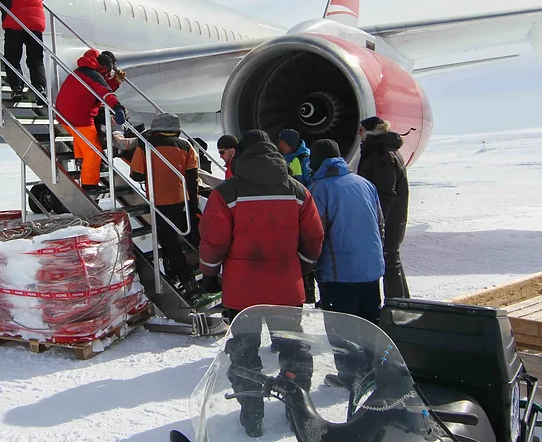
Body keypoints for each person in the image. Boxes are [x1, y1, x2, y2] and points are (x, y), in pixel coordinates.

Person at [199, 135, 324, 437]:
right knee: (294, 349)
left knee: (244, 353)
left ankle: (252, 415)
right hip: (286, 287)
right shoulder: (297, 191)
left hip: (243, 292)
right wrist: (300, 266)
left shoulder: (226, 193)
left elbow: (214, 240)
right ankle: (298, 410)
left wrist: (209, 273)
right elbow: (314, 237)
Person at [308, 138, 385, 390]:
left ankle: (351, 375)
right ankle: (374, 371)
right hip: (371, 267)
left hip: (340, 270)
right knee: (370, 321)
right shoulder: (364, 183)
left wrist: (310, 263)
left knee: (343, 328)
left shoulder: (320, 188)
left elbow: (316, 232)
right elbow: (380, 224)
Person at [129, 113, 201, 297]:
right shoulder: (186, 146)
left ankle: (188, 282)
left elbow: (136, 174)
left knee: (169, 243)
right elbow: (193, 177)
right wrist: (193, 204)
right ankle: (174, 274)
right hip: (180, 201)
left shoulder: (145, 145)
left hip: (158, 202)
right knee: (174, 240)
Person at [54, 49, 126, 193]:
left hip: (64, 115)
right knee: (94, 151)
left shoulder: (82, 71)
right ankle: (89, 184)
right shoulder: (94, 75)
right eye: (108, 72)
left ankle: (80, 158)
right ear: (105, 67)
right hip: (79, 117)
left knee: (81, 140)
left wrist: (115, 82)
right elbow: (104, 91)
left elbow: (97, 89)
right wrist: (117, 107)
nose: (107, 75)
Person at [357, 116, 410, 300]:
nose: (359, 134)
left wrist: (378, 222)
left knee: (389, 260)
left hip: (388, 218)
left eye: (361, 130)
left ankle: (397, 305)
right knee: (391, 259)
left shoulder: (382, 155)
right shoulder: (385, 151)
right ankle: (402, 303)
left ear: (370, 131)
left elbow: (386, 192)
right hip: (392, 216)